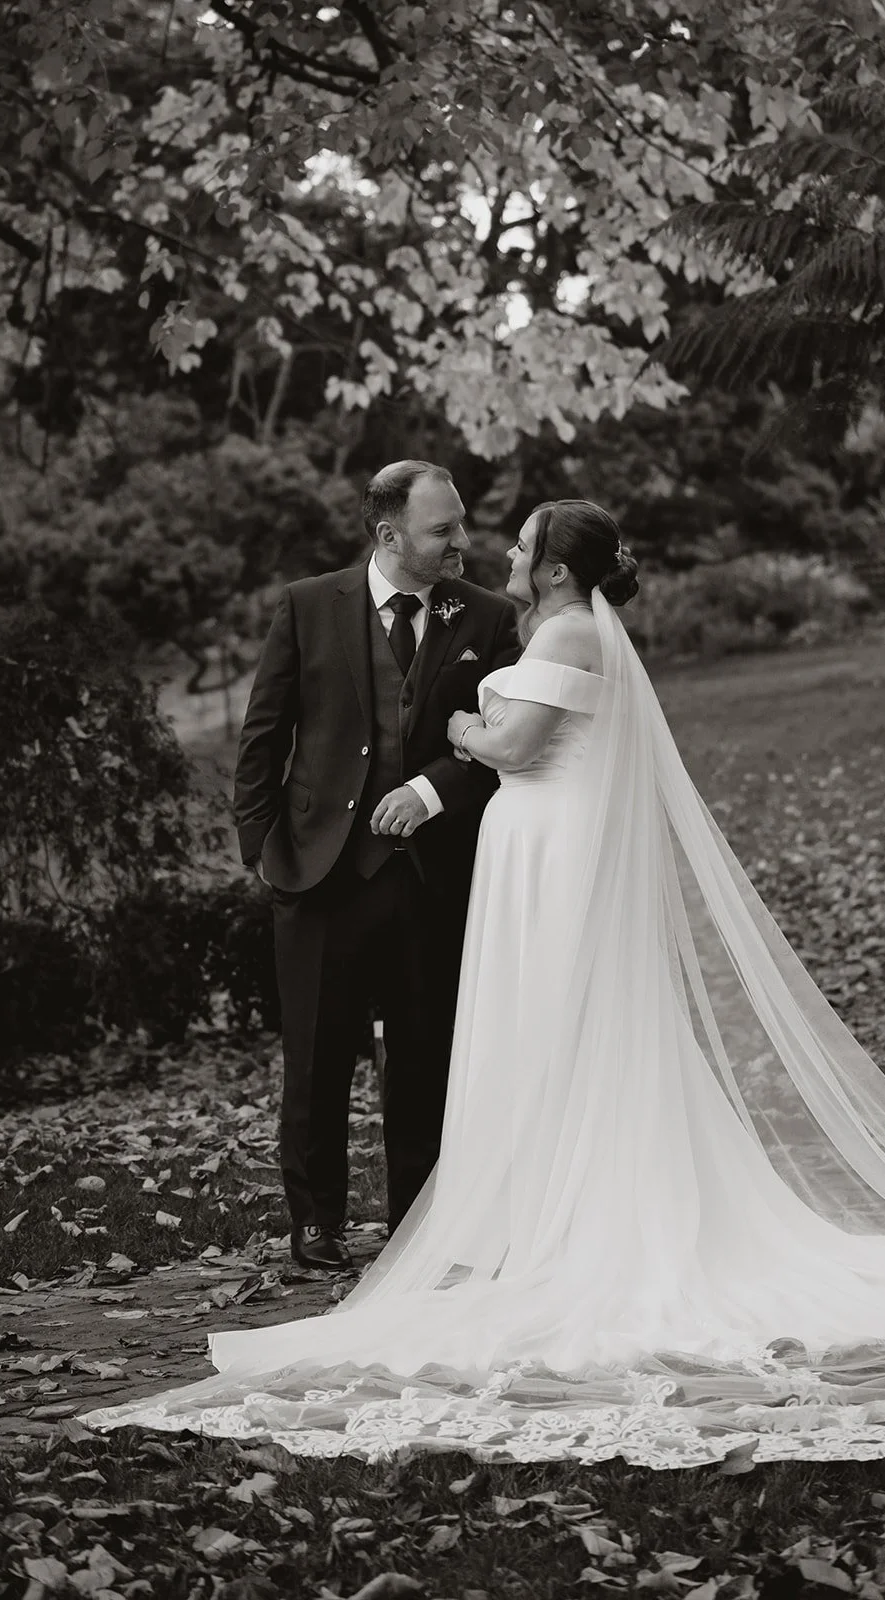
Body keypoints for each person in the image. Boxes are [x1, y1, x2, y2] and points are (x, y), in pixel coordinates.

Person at [85, 500, 885, 1469]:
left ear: (559, 570)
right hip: (511, 847)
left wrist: (464, 726)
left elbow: (513, 746)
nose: (500, 550)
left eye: (520, 544)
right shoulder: (526, 622)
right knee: (516, 1033)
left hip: (549, 845)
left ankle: (554, 1215)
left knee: (550, 1028)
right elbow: (321, 730)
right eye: (481, 535)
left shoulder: (563, 628)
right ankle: (485, 1211)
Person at [230, 460, 519, 1269]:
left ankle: (418, 1225)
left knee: (425, 1058)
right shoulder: (308, 606)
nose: (462, 540)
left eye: (459, 522)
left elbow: (507, 746)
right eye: (443, 529)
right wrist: (262, 849)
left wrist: (433, 790)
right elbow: (264, 736)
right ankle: (316, 1222)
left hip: (434, 879)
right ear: (390, 535)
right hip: (320, 876)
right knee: (316, 1060)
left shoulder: (489, 619)